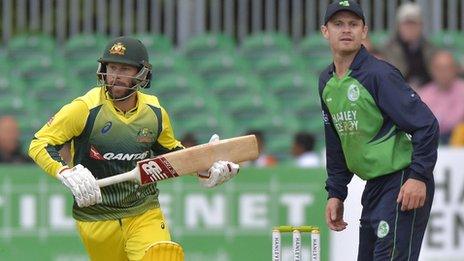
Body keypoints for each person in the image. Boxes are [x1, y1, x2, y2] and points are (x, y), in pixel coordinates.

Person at [28, 36, 239, 261]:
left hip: (143, 210)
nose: (116, 76)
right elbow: (40, 143)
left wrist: (203, 168)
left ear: (142, 74)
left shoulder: (155, 112)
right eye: (112, 68)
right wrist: (64, 171)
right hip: (96, 216)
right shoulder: (85, 109)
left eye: (125, 69)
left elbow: (170, 155)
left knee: (162, 255)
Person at [319, 1, 439, 260]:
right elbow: (337, 140)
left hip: (403, 181)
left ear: (364, 32)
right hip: (375, 186)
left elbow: (427, 125)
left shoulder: (378, 75)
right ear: (325, 32)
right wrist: (336, 193)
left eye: (353, 24)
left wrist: (418, 176)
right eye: (338, 24)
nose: (346, 30)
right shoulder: (326, 82)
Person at [381, 2, 436, 90]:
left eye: (413, 24)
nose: (410, 28)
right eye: (406, 24)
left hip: (429, 94)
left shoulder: (430, 48)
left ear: (421, 26)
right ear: (398, 26)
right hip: (398, 92)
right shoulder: (388, 49)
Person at [418, 51, 464, 143]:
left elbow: (455, 120)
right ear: (431, 70)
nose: (443, 72)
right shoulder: (423, 93)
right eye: (438, 68)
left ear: (455, 69)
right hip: (430, 141)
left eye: (447, 68)